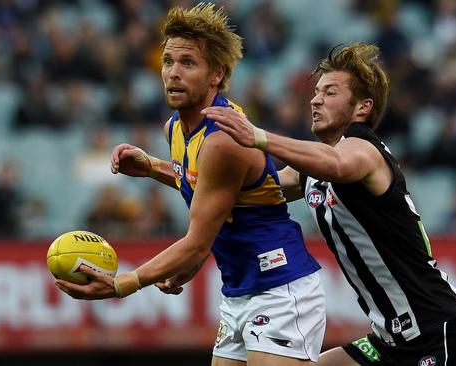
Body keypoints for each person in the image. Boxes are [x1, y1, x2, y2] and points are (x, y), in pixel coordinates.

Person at [54, 4, 325, 365]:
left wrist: (123, 284)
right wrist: (153, 166)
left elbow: (197, 242)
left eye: (187, 63)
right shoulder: (175, 129)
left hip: (280, 288)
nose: (173, 73)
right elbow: (209, 189)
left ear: (216, 75)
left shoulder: (223, 140)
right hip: (239, 292)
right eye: (168, 61)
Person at [204, 43, 456, 366]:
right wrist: (160, 168)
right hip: (388, 342)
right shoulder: (314, 167)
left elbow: (338, 166)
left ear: (362, 108)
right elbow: (249, 190)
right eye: (316, 91)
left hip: (439, 332)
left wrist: (258, 137)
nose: (315, 99)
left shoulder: (364, 151)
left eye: (330, 92)